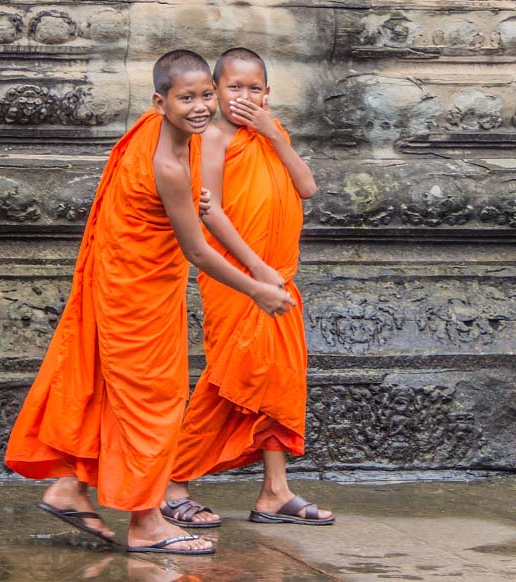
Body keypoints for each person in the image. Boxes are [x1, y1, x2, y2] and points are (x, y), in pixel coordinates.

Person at [3, 49, 295, 555]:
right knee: (153, 402)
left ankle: (71, 487)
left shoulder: (155, 131)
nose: (203, 107)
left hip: (123, 278)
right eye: (188, 98)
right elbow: (198, 249)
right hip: (137, 292)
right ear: (159, 102)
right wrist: (257, 288)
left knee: (112, 393)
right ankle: (146, 523)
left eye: (207, 95)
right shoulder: (169, 164)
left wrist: (198, 199)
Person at [160, 48, 332, 528]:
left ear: (268, 94)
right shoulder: (213, 137)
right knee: (230, 382)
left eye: (254, 88)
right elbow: (208, 211)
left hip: (280, 278)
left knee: (278, 383)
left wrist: (275, 136)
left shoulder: (273, 135)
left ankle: (275, 492)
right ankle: (171, 484)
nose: (245, 97)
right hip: (242, 280)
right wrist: (256, 270)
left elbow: (308, 187)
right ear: (216, 94)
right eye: (234, 88)